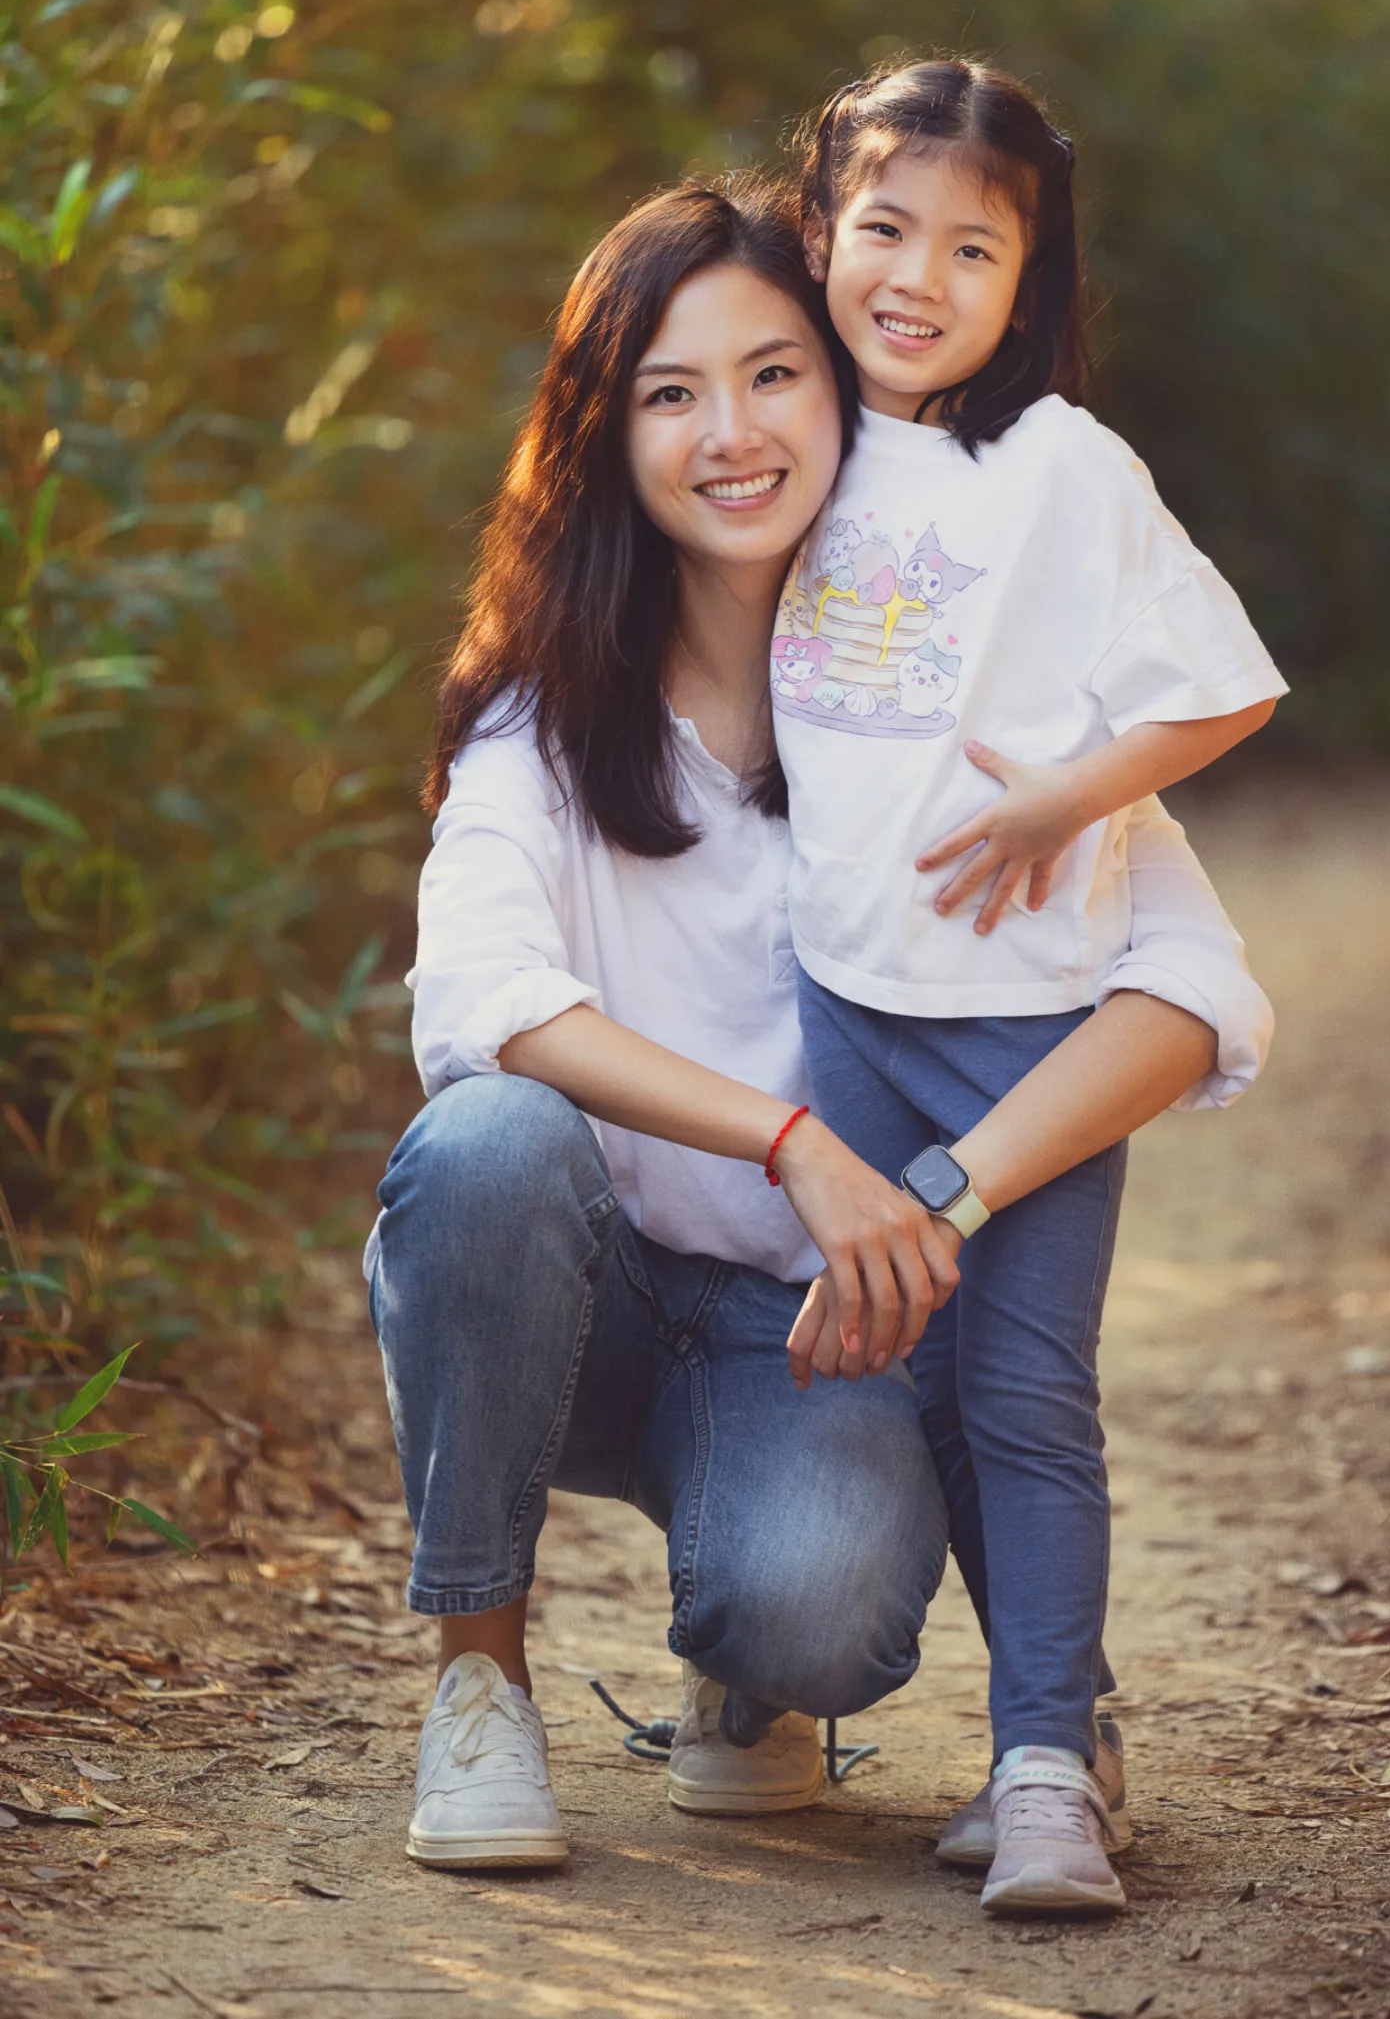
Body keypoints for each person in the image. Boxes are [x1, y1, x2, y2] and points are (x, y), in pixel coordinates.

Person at [368, 175, 1273, 1883]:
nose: (733, 432)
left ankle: (747, 1671)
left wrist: (940, 1195)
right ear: (604, 431)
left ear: (851, 385)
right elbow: (485, 998)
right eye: (671, 391)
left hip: (816, 1341)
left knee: (826, 1608)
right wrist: (793, 1139)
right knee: (488, 1139)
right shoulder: (546, 717)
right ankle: (476, 1686)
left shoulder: (978, 699)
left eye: (775, 374)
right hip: (590, 1299)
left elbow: (1189, 993)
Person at [771, 57, 1287, 1917]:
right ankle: (1049, 1715)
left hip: (1029, 1014)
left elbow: (1221, 683)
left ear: (1027, 280)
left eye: (971, 248)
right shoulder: (794, 429)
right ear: (819, 227)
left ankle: (1051, 1768)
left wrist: (1077, 791)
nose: (917, 274)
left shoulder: (1061, 465)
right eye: (884, 226)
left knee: (1024, 1393)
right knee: (906, 1396)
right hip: (845, 1007)